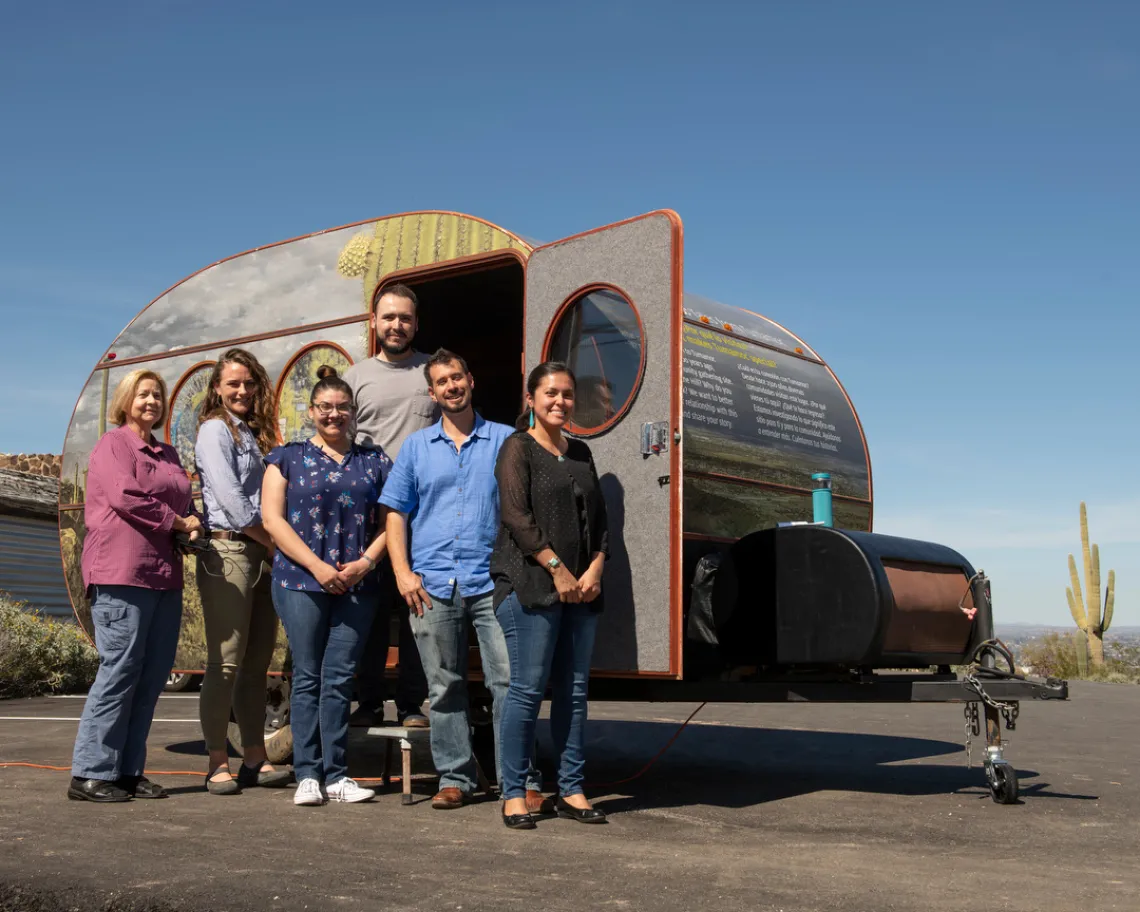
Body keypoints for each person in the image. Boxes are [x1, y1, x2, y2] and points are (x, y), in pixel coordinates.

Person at [381, 349, 548, 811]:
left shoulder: (506, 440)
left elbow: (525, 505)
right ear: (432, 393)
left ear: (470, 380)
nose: (451, 387)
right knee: (444, 686)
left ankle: (522, 779)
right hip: (431, 582)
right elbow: (396, 512)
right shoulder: (416, 447)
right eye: (442, 382)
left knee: (509, 684)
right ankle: (454, 778)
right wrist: (402, 573)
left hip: (494, 581)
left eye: (457, 377)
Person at [69, 369, 203, 802]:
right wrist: (177, 520)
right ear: (125, 401)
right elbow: (125, 495)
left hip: (164, 574)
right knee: (120, 670)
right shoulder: (114, 444)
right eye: (143, 394)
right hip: (121, 573)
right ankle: (90, 772)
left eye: (157, 395)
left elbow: (180, 495)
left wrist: (192, 523)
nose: (151, 401)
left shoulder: (165, 451)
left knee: (151, 675)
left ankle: (127, 770)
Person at [261, 367, 391, 806]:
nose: (334, 414)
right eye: (325, 407)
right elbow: (271, 519)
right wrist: (317, 566)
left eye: (343, 407)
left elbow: (393, 522)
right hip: (300, 580)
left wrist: (365, 563)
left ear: (353, 412)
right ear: (312, 411)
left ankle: (337, 775)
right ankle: (307, 775)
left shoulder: (375, 462)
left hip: (357, 584)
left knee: (338, 680)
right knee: (307, 677)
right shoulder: (286, 457)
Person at [492, 362, 609, 828]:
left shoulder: (580, 453)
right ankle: (515, 792)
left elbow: (599, 523)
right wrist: (558, 569)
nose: (560, 402)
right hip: (530, 586)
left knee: (575, 693)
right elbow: (516, 518)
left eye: (566, 394)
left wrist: (597, 566)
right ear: (531, 399)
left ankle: (573, 789)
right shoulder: (517, 448)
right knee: (526, 690)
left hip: (582, 590)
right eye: (550, 394)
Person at [194, 348, 292, 795]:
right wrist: (278, 542)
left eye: (248, 383)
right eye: (233, 383)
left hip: (259, 554)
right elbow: (232, 503)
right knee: (226, 663)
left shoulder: (249, 435)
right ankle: (218, 761)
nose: (242, 391)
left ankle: (255, 755)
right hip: (230, 553)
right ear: (217, 387)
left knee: (256, 666)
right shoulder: (215, 431)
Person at [343, 282, 433, 728]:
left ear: (416, 324)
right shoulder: (356, 377)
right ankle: (370, 699)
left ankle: (414, 704)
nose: (397, 325)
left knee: (417, 605)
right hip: (369, 513)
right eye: (389, 317)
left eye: (405, 318)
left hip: (422, 512)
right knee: (371, 609)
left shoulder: (433, 372)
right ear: (374, 322)